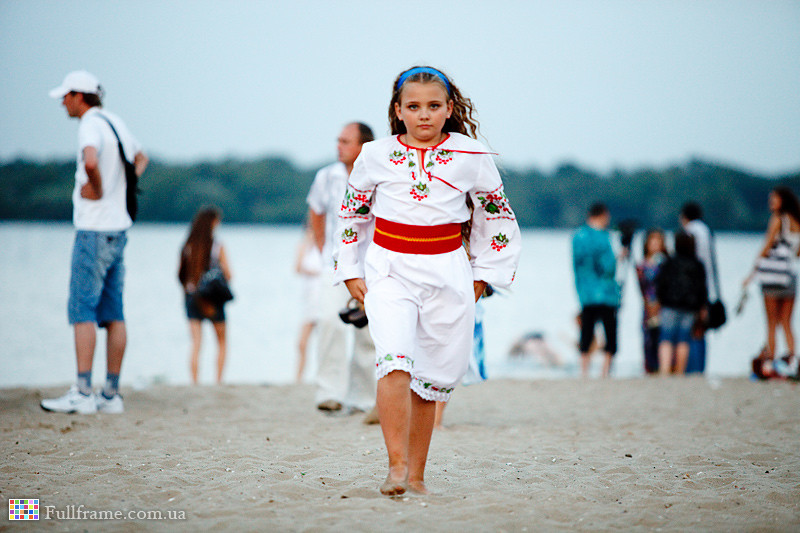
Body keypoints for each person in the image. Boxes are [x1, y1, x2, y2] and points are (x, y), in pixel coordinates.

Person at [333, 66, 521, 495]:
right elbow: (352, 214)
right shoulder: (374, 155)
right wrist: (350, 270)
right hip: (390, 271)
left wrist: (484, 276)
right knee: (394, 361)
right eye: (414, 106)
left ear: (449, 109)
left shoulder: (472, 156)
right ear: (398, 111)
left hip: (448, 273)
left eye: (433, 106)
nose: (424, 114)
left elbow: (497, 217)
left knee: (432, 379)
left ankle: (416, 477)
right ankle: (396, 468)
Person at [41, 71, 148, 414]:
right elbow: (141, 158)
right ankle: (111, 394)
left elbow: (90, 160)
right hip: (119, 229)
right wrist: (123, 187)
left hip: (93, 229)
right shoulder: (115, 122)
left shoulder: (89, 125)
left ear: (79, 96)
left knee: (82, 309)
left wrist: (99, 188)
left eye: (66, 96)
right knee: (114, 312)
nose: (63, 102)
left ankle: (83, 391)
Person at [306, 122, 377, 416]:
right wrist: (322, 246)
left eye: (346, 141)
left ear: (363, 145)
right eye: (338, 140)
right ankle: (329, 393)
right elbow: (316, 209)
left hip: (372, 264)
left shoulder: (378, 172)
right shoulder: (327, 176)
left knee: (368, 332)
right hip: (334, 264)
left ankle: (364, 398)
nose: (339, 146)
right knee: (329, 322)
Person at [743, 187, 800, 375]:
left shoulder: (778, 219)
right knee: (787, 322)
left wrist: (752, 273)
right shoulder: (796, 221)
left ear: (783, 200)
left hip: (772, 276)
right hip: (790, 276)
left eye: (774, 199)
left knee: (771, 323)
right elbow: (797, 254)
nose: (771, 202)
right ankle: (793, 361)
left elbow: (767, 246)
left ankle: (771, 362)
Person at [178, 207, 233, 384]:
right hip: (213, 297)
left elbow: (180, 275)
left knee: (196, 343)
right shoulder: (217, 246)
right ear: (213, 223)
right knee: (221, 341)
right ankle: (218, 380)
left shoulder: (188, 246)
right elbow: (229, 274)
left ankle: (195, 382)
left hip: (192, 296)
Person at [572, 203, 621, 378]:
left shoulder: (578, 236)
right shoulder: (603, 237)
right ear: (603, 215)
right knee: (610, 332)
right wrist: (619, 257)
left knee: (586, 332)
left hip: (586, 293)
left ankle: (584, 371)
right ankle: (604, 372)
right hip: (606, 293)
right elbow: (608, 266)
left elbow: (577, 266)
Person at [655, 231, 708, 376]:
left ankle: (665, 370)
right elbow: (702, 288)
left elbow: (660, 284)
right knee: (683, 340)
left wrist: (660, 301)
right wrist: (702, 306)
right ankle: (679, 371)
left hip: (669, 305)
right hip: (689, 307)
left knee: (666, 338)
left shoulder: (669, 262)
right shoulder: (697, 264)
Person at [679, 202, 720, 373]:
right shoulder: (705, 230)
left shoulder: (691, 231)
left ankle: (693, 369)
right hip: (706, 286)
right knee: (700, 329)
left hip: (694, 287)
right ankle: (699, 368)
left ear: (684, 216)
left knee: (694, 329)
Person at [636, 228, 667, 374]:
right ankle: (650, 370)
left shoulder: (666, 263)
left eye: (658, 241)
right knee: (648, 341)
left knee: (663, 340)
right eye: (652, 241)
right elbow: (642, 289)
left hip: (664, 307)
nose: (655, 244)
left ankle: (664, 369)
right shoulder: (642, 264)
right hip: (648, 307)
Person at [294, 224, 323, 383]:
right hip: (309, 299)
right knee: (302, 343)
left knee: (323, 340)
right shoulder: (304, 247)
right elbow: (297, 268)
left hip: (321, 297)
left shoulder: (325, 248)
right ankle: (299, 377)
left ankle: (320, 376)